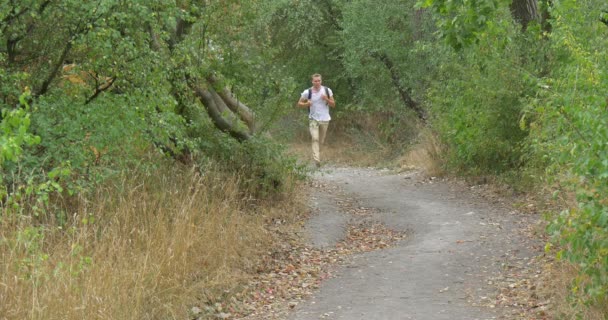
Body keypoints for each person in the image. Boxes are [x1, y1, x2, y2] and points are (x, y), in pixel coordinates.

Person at [297, 73, 335, 167]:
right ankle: (317, 160)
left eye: (319, 81)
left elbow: (333, 104)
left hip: (325, 119)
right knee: (315, 138)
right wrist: (306, 104)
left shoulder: (327, 90)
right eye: (315, 81)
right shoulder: (307, 92)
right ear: (312, 81)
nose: (317, 82)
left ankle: (318, 155)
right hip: (313, 119)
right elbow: (299, 103)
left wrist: (326, 98)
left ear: (321, 81)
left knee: (321, 141)